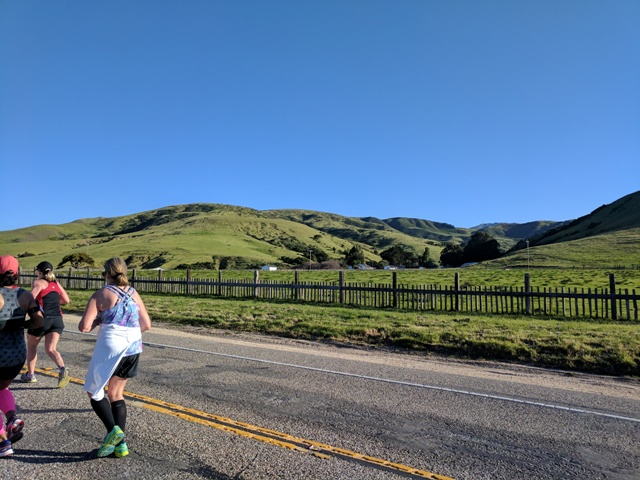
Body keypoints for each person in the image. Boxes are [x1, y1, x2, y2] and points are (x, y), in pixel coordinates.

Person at [79, 257, 151, 458]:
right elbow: (146, 324)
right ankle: (120, 446)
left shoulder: (100, 294)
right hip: (133, 347)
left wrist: (99, 320)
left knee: (94, 391)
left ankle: (114, 431)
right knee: (116, 393)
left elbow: (84, 327)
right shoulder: (133, 293)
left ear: (107, 274)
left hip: (111, 346)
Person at [0, 255, 44, 457]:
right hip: (17, 355)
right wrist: (20, 325)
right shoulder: (25, 295)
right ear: (16, 273)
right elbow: (39, 321)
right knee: (2, 387)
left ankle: (3, 443)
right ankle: (12, 418)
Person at [22, 261, 71, 387]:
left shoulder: (38, 283)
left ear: (39, 272)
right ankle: (62, 369)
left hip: (42, 320)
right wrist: (53, 302)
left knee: (32, 346)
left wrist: (23, 316)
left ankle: (30, 375)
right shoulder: (56, 283)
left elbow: (30, 300)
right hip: (57, 320)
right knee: (51, 349)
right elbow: (66, 300)